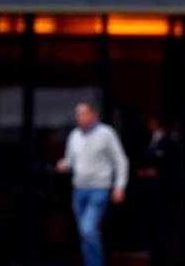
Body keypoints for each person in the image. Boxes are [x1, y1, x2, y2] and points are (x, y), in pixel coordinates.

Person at [56, 102, 129, 266]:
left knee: (88, 229)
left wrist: (120, 186)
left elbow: (120, 160)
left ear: (93, 115)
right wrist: (65, 164)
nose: (78, 117)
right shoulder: (74, 135)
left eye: (82, 113)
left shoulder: (106, 133)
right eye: (77, 114)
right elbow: (71, 160)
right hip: (79, 190)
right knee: (84, 233)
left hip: (99, 189)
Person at [136, 115, 176, 266]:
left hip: (164, 192)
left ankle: (164, 256)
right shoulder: (148, 141)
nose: (149, 125)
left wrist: (154, 172)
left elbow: (167, 167)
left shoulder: (168, 142)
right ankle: (154, 255)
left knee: (163, 224)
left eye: (152, 122)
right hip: (149, 192)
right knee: (151, 224)